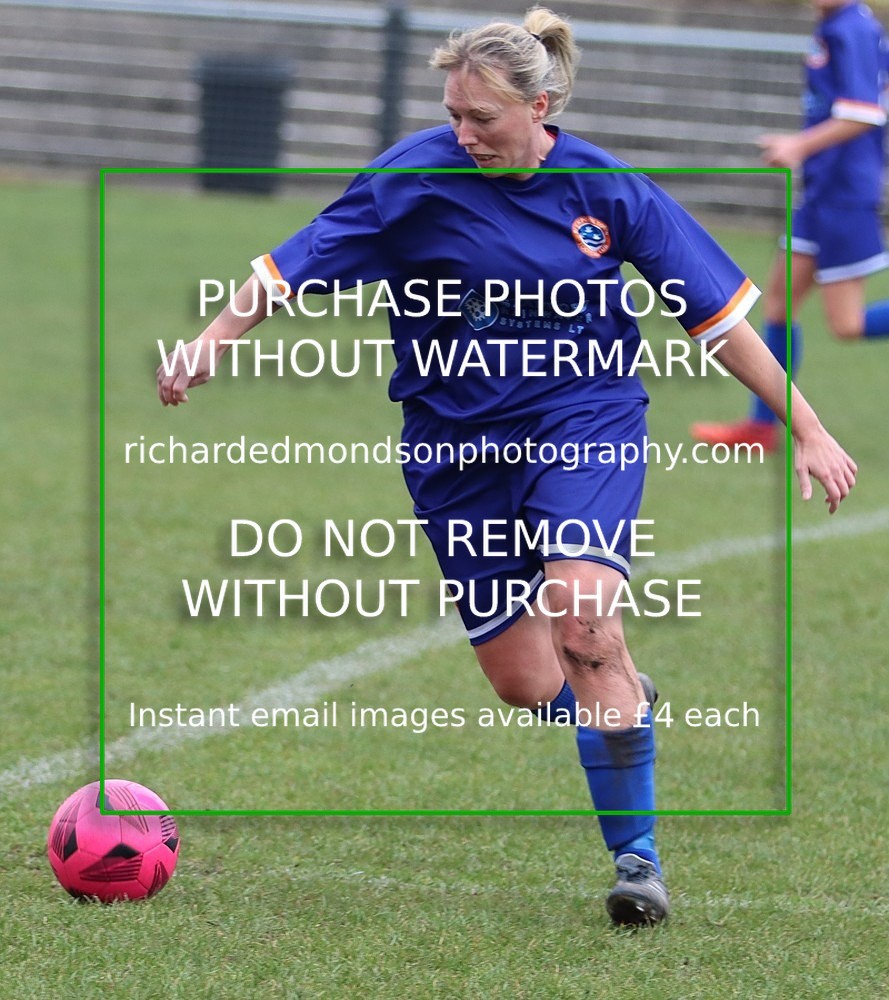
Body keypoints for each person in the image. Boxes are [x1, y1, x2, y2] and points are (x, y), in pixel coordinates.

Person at [157, 8, 857, 927]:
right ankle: (620, 705)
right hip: (454, 447)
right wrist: (213, 339)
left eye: (482, 118)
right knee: (525, 682)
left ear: (541, 106)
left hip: (584, 419)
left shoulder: (608, 192)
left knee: (584, 620)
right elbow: (291, 266)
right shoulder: (412, 178)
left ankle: (637, 862)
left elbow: (717, 320)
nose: (464, 133)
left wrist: (805, 426)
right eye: (454, 113)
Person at [692, 0, 889, 452]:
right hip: (821, 189)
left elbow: (864, 112)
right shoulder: (842, 23)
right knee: (779, 304)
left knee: (847, 324)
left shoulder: (851, 28)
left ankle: (764, 424)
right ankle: (763, 425)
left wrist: (799, 145)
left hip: (843, 193)